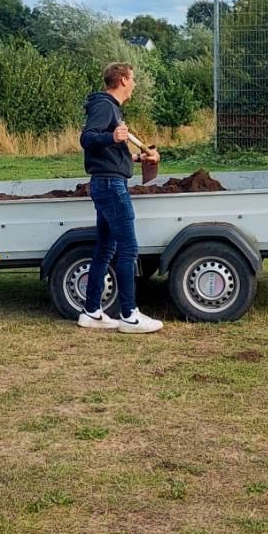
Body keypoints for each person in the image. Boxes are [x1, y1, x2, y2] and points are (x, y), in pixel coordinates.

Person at [77, 61, 162, 334]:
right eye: (133, 78)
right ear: (123, 79)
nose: (134, 83)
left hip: (107, 181)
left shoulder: (111, 108)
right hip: (111, 186)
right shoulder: (105, 106)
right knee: (128, 249)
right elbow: (87, 139)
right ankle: (129, 315)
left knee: (105, 249)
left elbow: (110, 154)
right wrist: (113, 137)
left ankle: (91, 312)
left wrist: (138, 158)